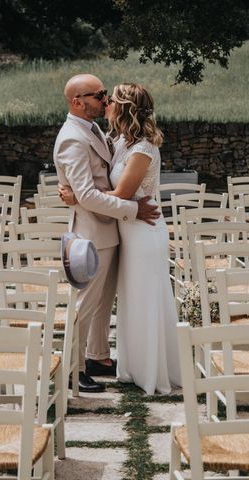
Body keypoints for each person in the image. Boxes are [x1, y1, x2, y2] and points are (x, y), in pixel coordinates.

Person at [61, 83, 181, 394]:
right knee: (112, 302)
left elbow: (120, 193)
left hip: (142, 232)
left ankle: (146, 367)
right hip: (121, 228)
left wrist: (78, 197)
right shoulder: (115, 140)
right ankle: (78, 367)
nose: (104, 102)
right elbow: (104, 190)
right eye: (100, 96)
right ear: (78, 101)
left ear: (124, 108)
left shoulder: (138, 147)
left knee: (141, 299)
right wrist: (78, 196)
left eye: (108, 98)